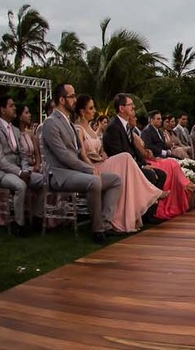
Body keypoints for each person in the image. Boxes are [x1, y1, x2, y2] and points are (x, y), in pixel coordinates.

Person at [38, 84, 123, 243]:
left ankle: (105, 223)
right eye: (72, 96)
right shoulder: (50, 123)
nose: (75, 100)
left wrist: (94, 160)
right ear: (62, 100)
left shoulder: (68, 122)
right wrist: (88, 168)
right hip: (58, 175)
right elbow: (62, 155)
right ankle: (97, 230)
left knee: (116, 180)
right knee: (94, 181)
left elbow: (78, 151)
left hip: (74, 172)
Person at [74, 95, 164, 232]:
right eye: (91, 108)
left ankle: (150, 197)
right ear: (82, 111)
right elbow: (81, 154)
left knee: (127, 158)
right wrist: (91, 167)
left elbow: (101, 150)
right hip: (92, 166)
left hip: (103, 161)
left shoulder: (92, 130)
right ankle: (153, 193)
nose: (94, 111)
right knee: (126, 157)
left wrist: (102, 154)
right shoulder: (78, 129)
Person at [0, 95, 45, 235]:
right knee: (20, 185)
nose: (14, 108)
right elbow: (0, 160)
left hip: (18, 170)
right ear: (3, 110)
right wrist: (19, 173)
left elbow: (23, 155)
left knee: (43, 180)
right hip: (0, 173)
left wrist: (25, 169)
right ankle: (20, 224)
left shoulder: (16, 130)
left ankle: (37, 217)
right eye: (11, 106)